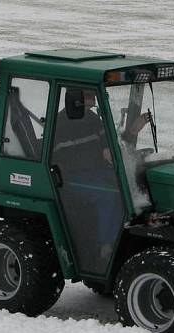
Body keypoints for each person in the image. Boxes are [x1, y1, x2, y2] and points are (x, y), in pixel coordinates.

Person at [53, 88, 123, 268]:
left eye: (94, 94)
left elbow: (107, 140)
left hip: (96, 171)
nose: (93, 98)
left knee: (126, 186)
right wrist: (99, 155)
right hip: (70, 179)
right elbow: (62, 159)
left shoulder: (93, 119)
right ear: (76, 98)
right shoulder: (60, 124)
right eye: (89, 94)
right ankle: (106, 247)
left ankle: (122, 239)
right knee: (110, 194)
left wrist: (111, 148)